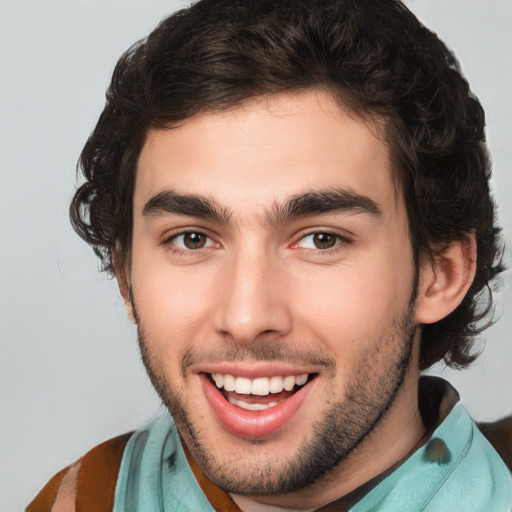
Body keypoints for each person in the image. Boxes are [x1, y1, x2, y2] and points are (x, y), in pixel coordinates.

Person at [27, 0, 512, 510]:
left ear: (441, 274)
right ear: (126, 277)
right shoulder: (81, 498)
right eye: (192, 239)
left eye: (321, 239)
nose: (245, 317)